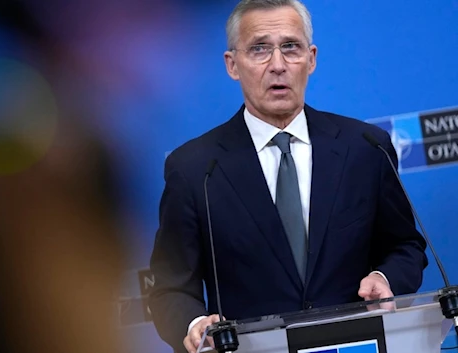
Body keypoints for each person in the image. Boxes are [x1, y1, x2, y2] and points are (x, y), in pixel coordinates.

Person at [147, 1, 428, 352]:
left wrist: (385, 279)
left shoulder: (365, 147)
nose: (277, 65)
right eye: (259, 49)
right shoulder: (194, 168)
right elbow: (170, 288)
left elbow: (405, 247)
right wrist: (193, 325)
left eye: (290, 47)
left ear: (311, 58)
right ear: (232, 65)